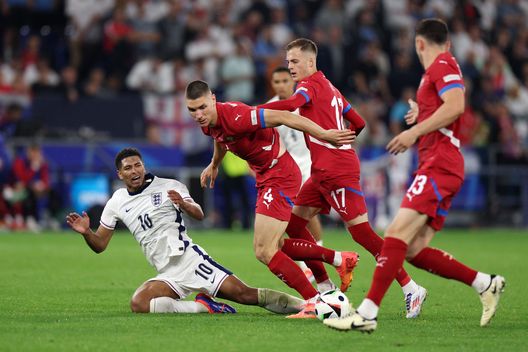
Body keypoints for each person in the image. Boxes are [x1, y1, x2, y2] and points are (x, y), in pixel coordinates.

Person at [324, 18, 505, 333]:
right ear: (445, 42)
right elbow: (445, 109)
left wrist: (413, 132)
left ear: (419, 44)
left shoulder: (442, 64)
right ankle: (484, 283)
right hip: (440, 164)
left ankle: (367, 313)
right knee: (413, 250)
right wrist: (422, 112)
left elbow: (457, 105)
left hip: (440, 163)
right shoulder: (433, 74)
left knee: (394, 234)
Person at [258, 38, 426, 318]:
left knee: (363, 234)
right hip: (322, 171)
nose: (291, 67)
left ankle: (411, 287)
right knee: (295, 224)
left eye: (295, 61)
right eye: (288, 62)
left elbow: (293, 104)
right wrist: (343, 141)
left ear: (311, 62)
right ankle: (325, 286)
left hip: (336, 171)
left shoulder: (308, 86)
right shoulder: (331, 87)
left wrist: (257, 114)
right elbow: (359, 122)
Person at [185, 80, 359, 318]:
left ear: (213, 99)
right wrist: (214, 164)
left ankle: (313, 303)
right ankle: (337, 262)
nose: (198, 114)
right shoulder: (209, 122)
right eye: (192, 110)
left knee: (264, 250)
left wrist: (324, 134)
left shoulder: (239, 116)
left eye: (202, 107)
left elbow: (285, 117)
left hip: (280, 175)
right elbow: (220, 137)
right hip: (268, 177)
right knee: (274, 246)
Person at [66, 147, 305, 315]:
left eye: (138, 164)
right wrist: (87, 232)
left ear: (143, 166)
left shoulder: (169, 185)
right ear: (120, 174)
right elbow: (100, 245)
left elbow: (199, 213)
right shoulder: (116, 201)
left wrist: (184, 204)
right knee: (139, 304)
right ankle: (203, 307)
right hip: (167, 272)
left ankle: (308, 306)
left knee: (244, 295)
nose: (134, 170)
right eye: (128, 168)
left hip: (189, 260)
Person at [269, 66, 323, 282]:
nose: (282, 85)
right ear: (272, 84)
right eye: (277, 82)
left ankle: (317, 253)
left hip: (310, 165)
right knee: (291, 218)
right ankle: (307, 262)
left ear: (291, 81)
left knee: (306, 215)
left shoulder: (304, 102)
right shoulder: (272, 109)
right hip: (288, 170)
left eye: (284, 80)